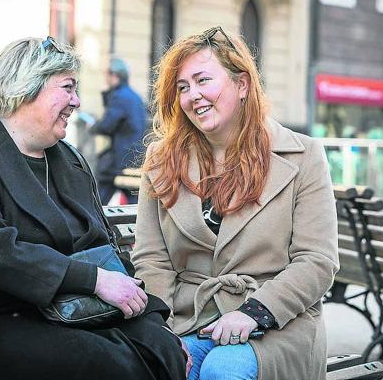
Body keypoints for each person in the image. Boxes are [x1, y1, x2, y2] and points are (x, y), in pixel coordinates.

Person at [0, 37, 187, 380]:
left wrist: (154, 319)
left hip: (72, 312)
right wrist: (92, 281)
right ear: (26, 87)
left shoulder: (69, 160)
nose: (76, 101)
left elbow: (103, 251)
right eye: (67, 88)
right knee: (106, 365)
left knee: (163, 350)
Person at [132, 27, 339, 380]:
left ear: (242, 85)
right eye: (183, 87)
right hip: (189, 319)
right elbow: (152, 259)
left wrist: (253, 313)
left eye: (203, 80)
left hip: (276, 323)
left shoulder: (302, 156)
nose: (193, 95)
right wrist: (162, 329)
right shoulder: (161, 159)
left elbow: (317, 261)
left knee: (223, 368)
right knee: (154, 365)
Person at [89, 57, 147, 204]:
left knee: (99, 200)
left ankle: (94, 223)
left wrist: (93, 126)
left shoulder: (120, 97)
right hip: (134, 156)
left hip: (119, 158)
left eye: (107, 75)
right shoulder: (134, 96)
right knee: (133, 200)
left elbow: (107, 125)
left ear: (114, 76)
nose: (105, 79)